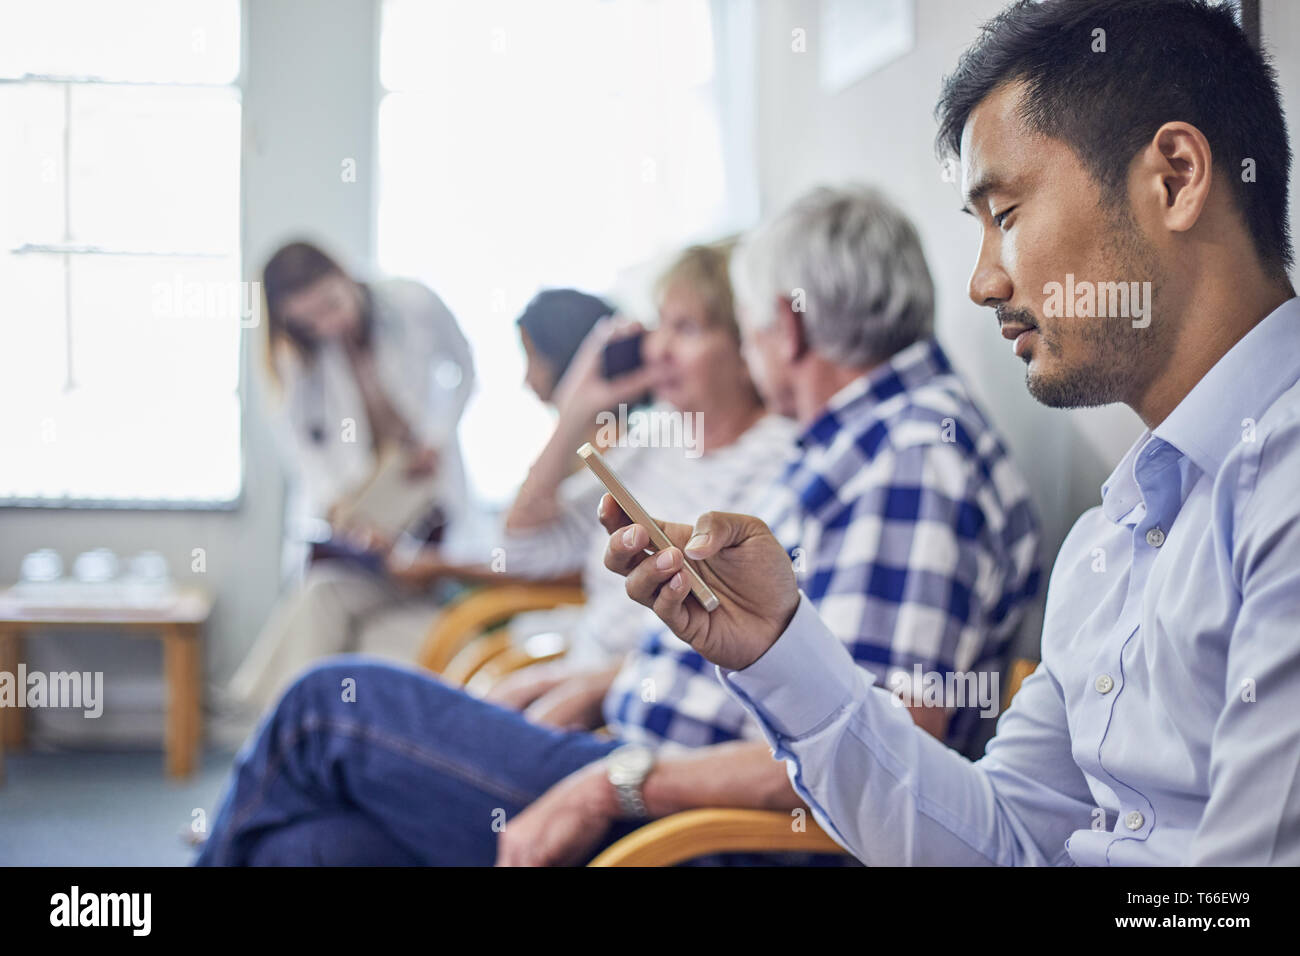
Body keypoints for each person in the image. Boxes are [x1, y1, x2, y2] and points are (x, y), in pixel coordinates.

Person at [599, 0, 1300, 866]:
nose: (981, 282)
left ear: (1176, 177)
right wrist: (781, 647)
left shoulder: (1282, 489)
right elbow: (996, 838)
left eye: (1004, 215)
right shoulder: (1114, 538)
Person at [194, 193, 1038, 866]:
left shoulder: (915, 457)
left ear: (785, 326)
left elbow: (892, 757)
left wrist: (613, 785)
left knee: (321, 709)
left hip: (691, 822)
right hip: (642, 760)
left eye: (737, 326)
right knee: (309, 851)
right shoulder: (862, 444)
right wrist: (603, 689)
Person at [222, 241, 476, 724]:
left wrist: (437, 436)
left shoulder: (411, 303)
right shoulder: (300, 357)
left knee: (324, 596)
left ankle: (266, 715)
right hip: (367, 504)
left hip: (427, 497)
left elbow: (463, 368)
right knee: (324, 591)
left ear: (346, 275)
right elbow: (303, 446)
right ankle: (282, 721)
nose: (327, 325)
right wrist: (340, 508)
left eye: (330, 306)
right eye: (309, 321)